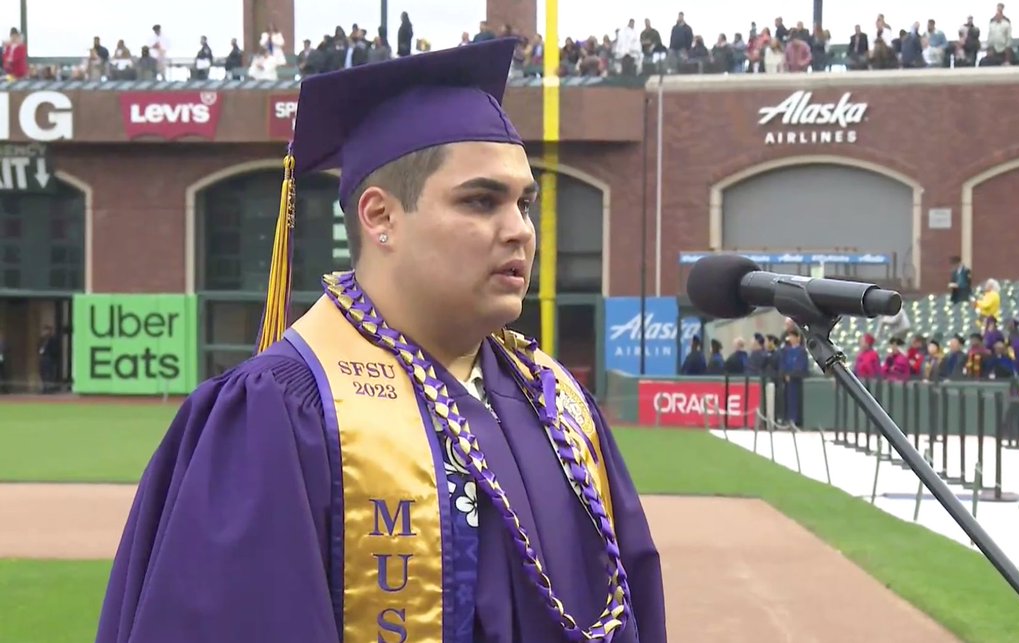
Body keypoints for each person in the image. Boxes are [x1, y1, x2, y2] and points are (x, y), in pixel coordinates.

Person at [96, 38, 666, 643]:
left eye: (525, 203)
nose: (519, 231)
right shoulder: (283, 412)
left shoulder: (556, 405)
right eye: (481, 201)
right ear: (379, 217)